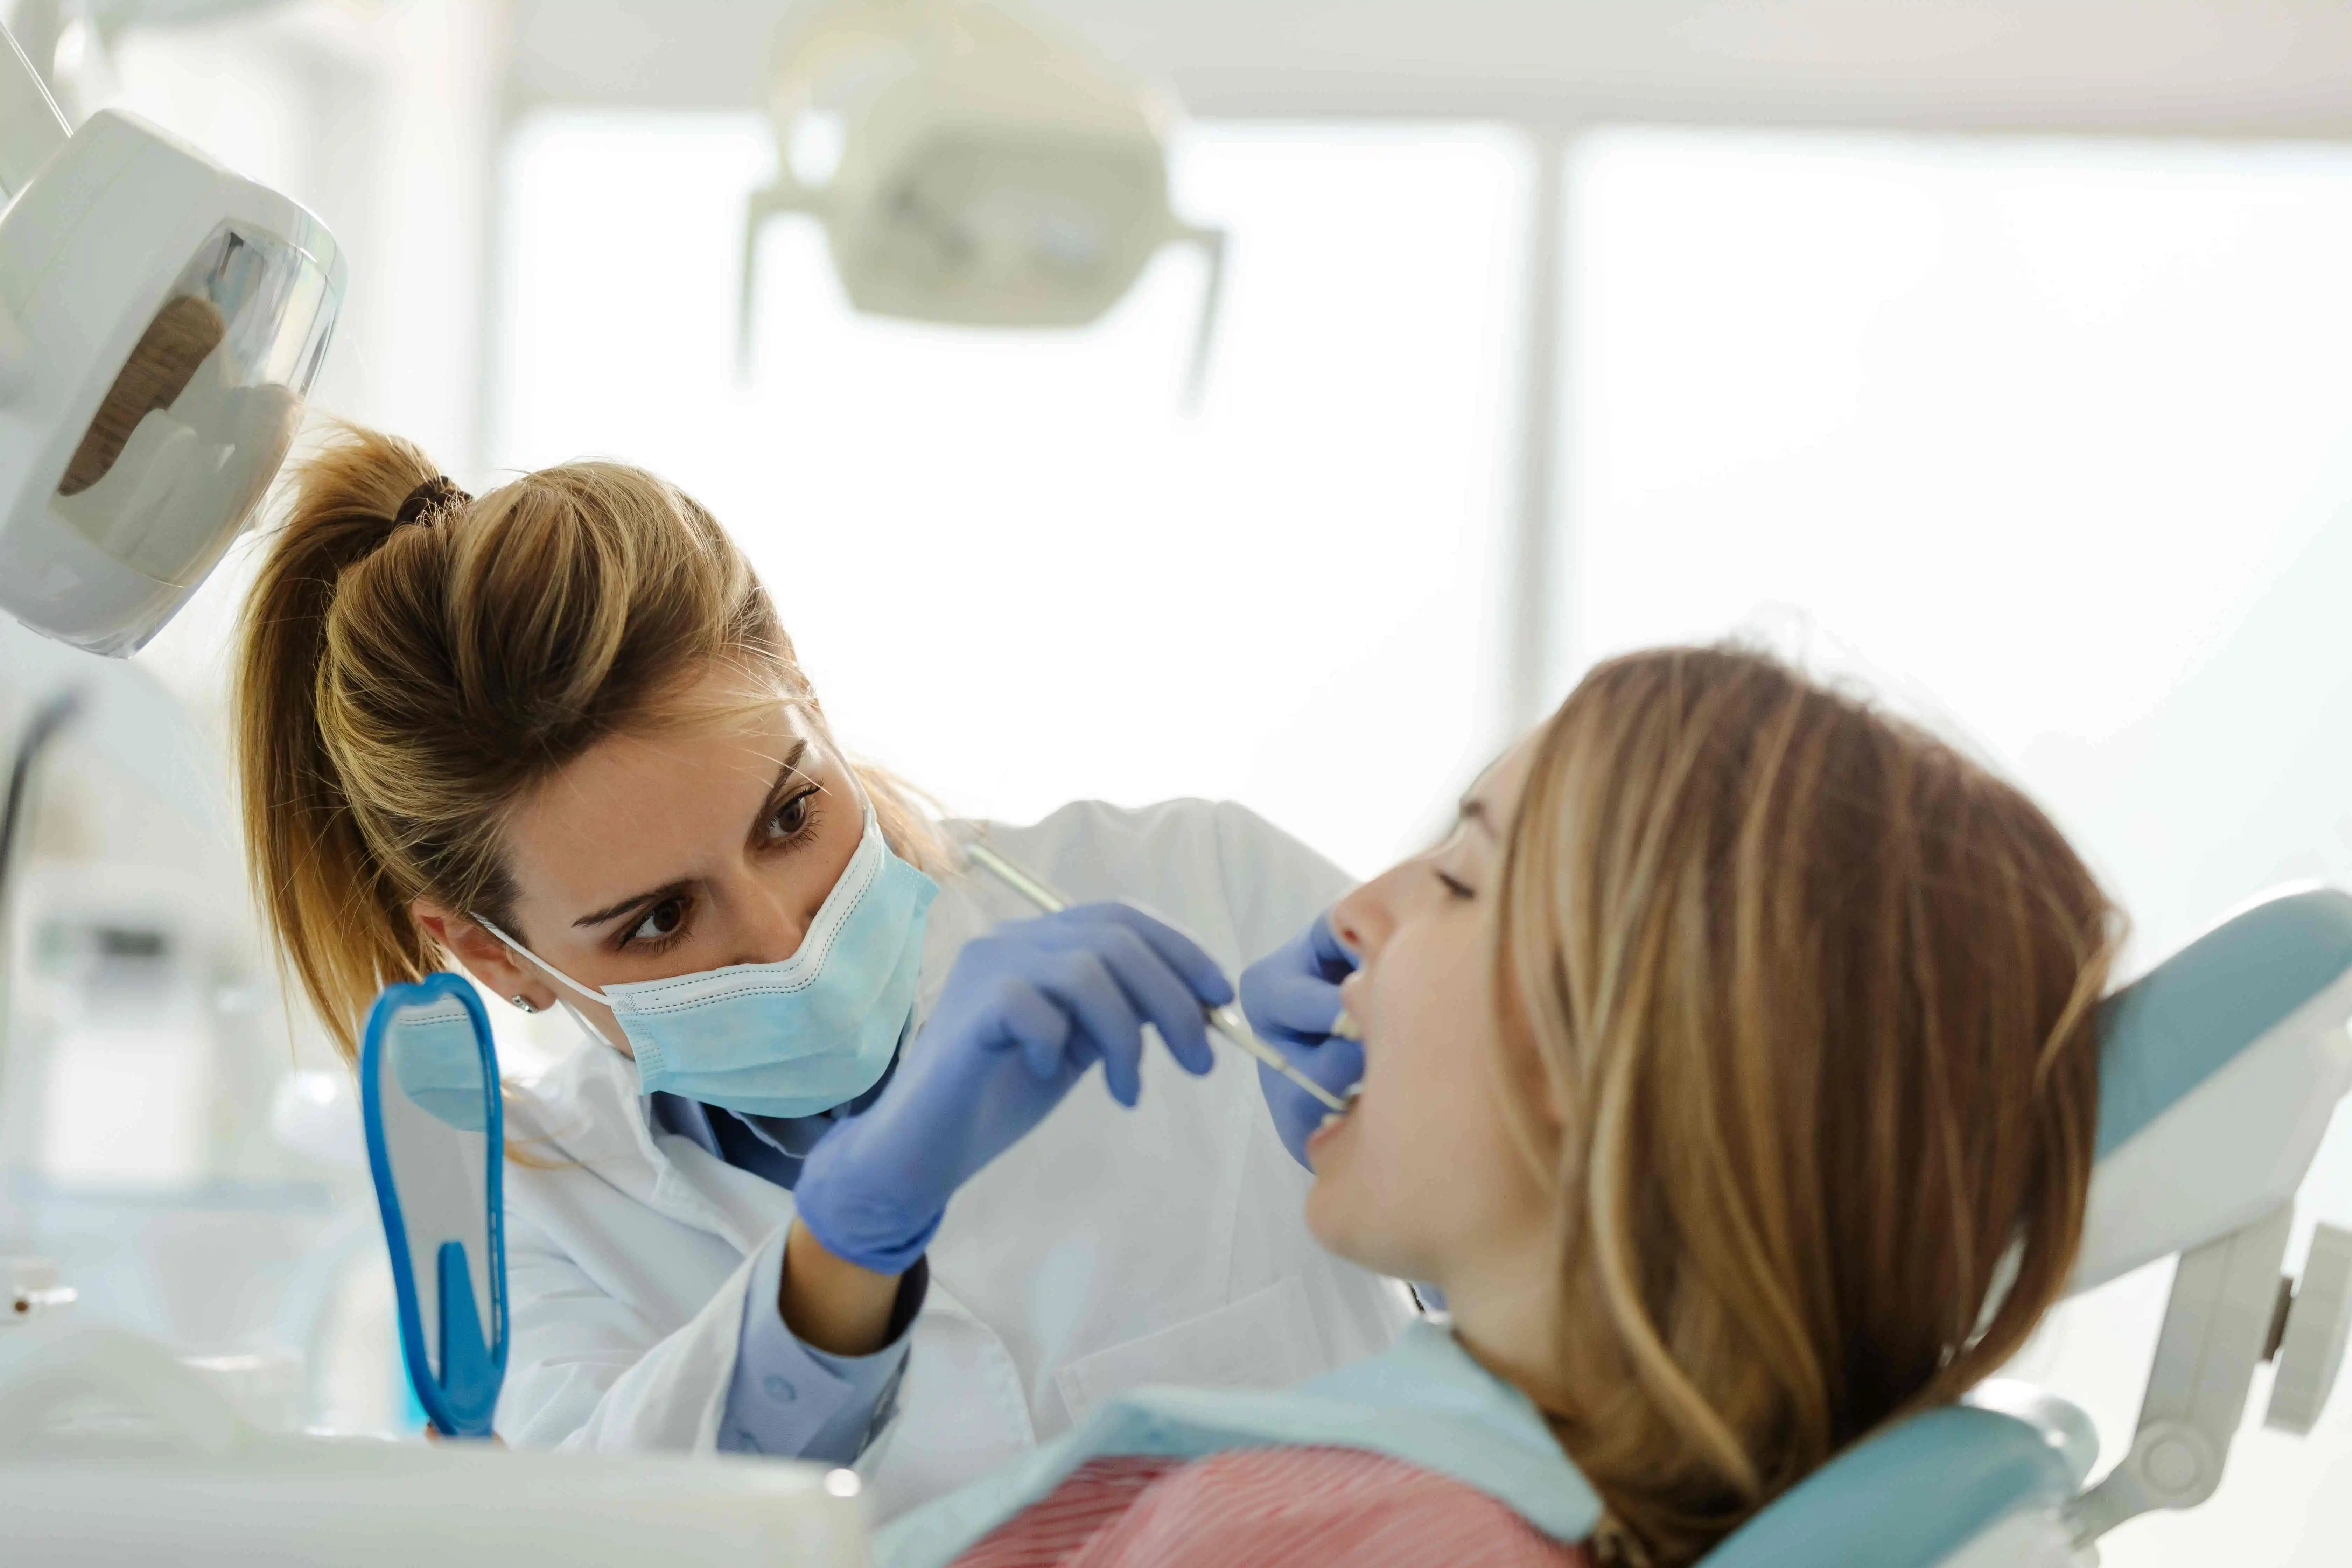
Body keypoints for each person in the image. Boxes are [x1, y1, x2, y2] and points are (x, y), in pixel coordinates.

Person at [232, 427, 1411, 1517]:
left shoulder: (1205, 887)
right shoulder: (537, 1219)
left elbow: (1568, 1322)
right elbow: (611, 1539)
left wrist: (1450, 1156)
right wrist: (845, 1250)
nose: (785, 932)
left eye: (792, 815)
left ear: (800, 682)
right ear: (495, 956)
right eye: (657, 922)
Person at [878, 645, 2119, 1568]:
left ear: (1632, 1073)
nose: (1355, 915)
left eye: (1462, 877)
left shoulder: (1360, 1534)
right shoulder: (1480, 1511)